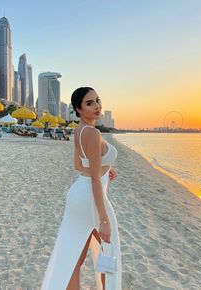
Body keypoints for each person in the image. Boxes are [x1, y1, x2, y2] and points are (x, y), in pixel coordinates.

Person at [41, 87, 121, 290]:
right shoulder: (92, 133)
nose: (96, 106)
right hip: (90, 198)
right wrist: (103, 220)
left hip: (80, 194)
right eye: (89, 103)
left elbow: (79, 165)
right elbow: (94, 178)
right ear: (78, 109)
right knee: (108, 251)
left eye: (97, 100)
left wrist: (105, 169)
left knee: (74, 256)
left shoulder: (79, 130)